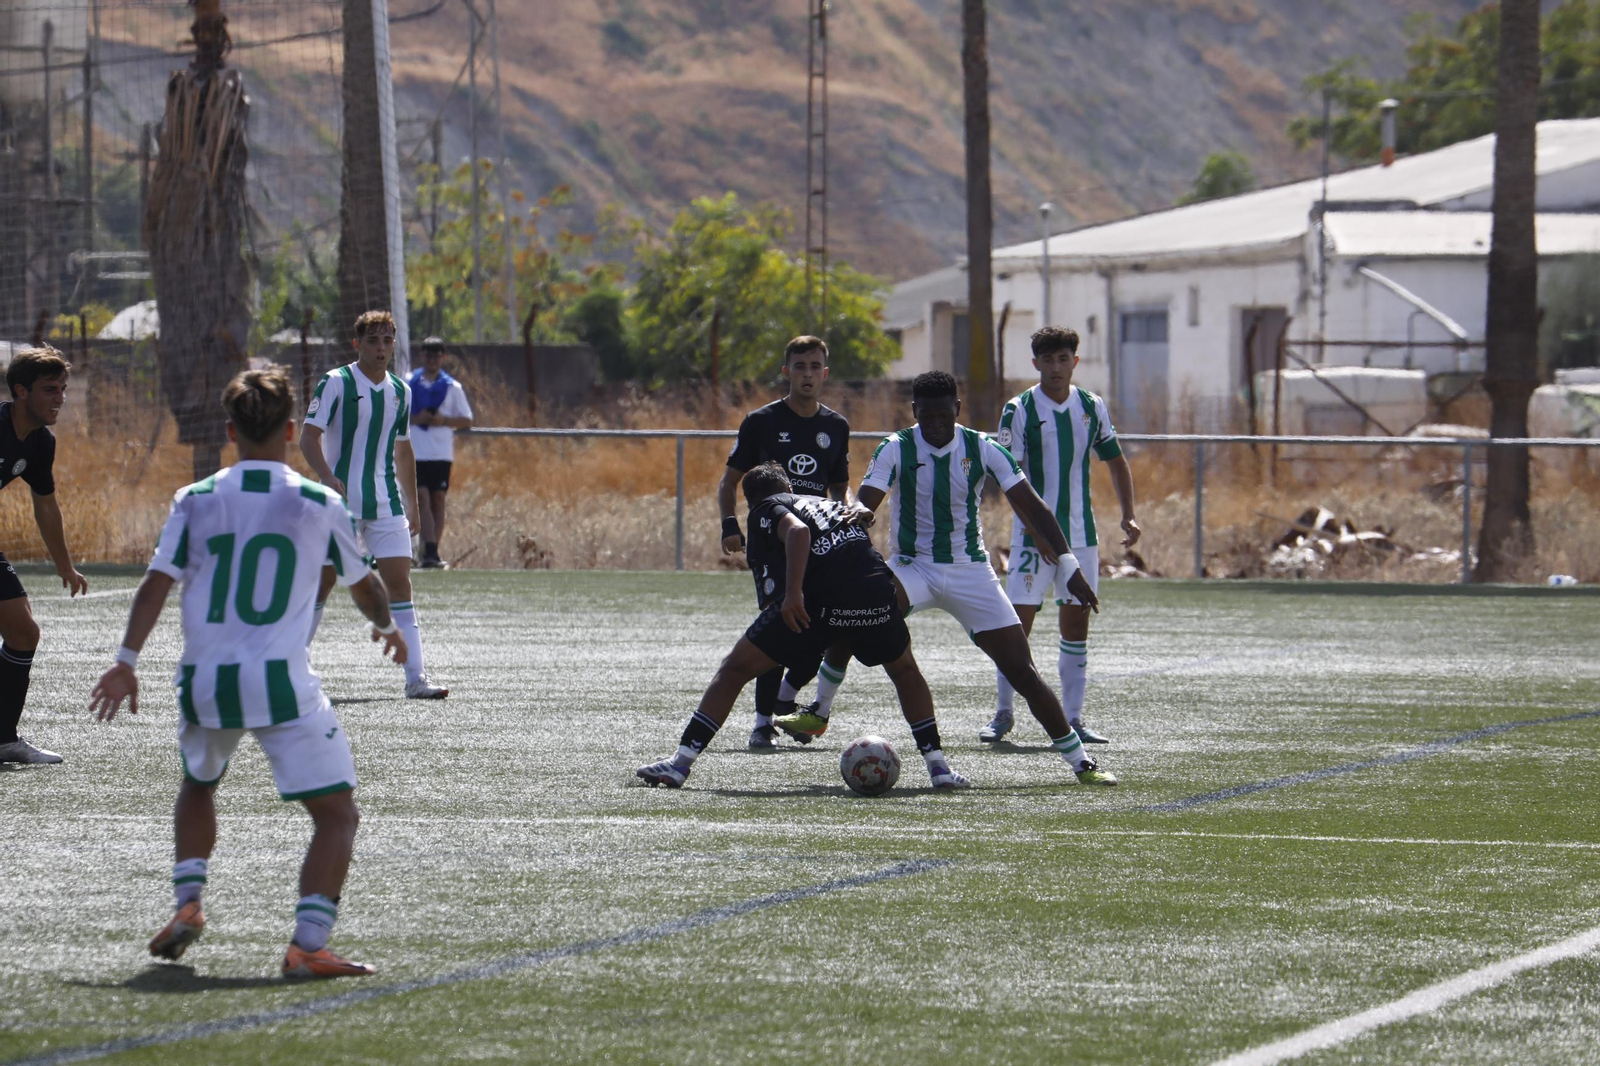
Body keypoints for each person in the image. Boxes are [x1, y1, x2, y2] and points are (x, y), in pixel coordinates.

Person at [89, 365, 407, 978]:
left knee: (199, 784)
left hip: (205, 683)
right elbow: (365, 587)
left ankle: (189, 904)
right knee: (337, 814)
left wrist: (126, 662)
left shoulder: (197, 497)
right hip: (281, 684)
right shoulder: (320, 501)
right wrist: (387, 627)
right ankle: (307, 944)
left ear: (230, 431)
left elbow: (156, 585)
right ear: (292, 430)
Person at [638, 461, 969, 790]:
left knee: (734, 669)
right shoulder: (827, 503)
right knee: (905, 671)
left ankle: (680, 763)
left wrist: (793, 593)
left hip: (823, 596)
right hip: (877, 589)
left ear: (752, 504)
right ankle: (938, 766)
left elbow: (797, 532)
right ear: (791, 488)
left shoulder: (767, 508)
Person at [855, 371, 1117, 786]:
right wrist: (858, 515)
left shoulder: (983, 447)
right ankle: (822, 709)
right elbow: (864, 502)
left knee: (1022, 669)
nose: (937, 424)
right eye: (927, 416)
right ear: (914, 412)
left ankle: (1081, 762)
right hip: (912, 565)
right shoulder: (895, 447)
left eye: (944, 415)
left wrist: (1069, 566)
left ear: (957, 410)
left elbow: (1033, 507)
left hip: (970, 571)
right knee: (862, 607)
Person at [986, 326, 1141, 744]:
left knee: (1076, 624)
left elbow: (1116, 460)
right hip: (1030, 539)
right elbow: (1006, 476)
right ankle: (1003, 713)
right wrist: (1035, 531)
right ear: (1034, 363)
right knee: (1016, 626)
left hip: (1080, 537)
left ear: (1075, 361)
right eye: (1047, 360)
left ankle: (1074, 718)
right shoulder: (1018, 409)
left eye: (1063, 359)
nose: (1056, 367)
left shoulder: (1091, 406)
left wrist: (1129, 514)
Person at [301, 310, 446, 699]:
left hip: (386, 506)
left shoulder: (402, 390)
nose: (381, 348)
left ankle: (416, 679)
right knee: (322, 586)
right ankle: (291, 671)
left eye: (387, 340)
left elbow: (403, 452)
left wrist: (413, 506)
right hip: (339, 507)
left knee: (400, 585)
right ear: (357, 344)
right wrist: (328, 478)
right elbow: (308, 439)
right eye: (373, 340)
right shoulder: (335, 383)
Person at [718, 335, 853, 749]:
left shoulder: (836, 426)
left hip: (818, 542)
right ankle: (762, 723)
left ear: (825, 373)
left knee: (823, 629)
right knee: (778, 627)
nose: (808, 374)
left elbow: (841, 488)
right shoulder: (761, 421)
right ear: (787, 372)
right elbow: (730, 480)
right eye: (800, 366)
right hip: (772, 541)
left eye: (815, 367)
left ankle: (783, 700)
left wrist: (850, 514)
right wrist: (729, 525)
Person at [0, 346, 88, 765]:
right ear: (20, 391)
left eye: (63, 389)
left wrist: (64, 564)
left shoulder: (39, 442)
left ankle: (3, 739)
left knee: (23, 632)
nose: (60, 398)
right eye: (50, 389)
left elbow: (46, 503)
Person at [405, 337, 474, 569]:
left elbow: (466, 419)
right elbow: (397, 413)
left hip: (441, 452)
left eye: (437, 356)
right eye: (428, 355)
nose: (432, 360)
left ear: (443, 358)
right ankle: (428, 549)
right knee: (421, 496)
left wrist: (442, 420)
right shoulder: (408, 382)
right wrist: (417, 419)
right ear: (421, 356)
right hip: (415, 451)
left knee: (438, 499)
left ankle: (432, 551)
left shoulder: (452, 387)